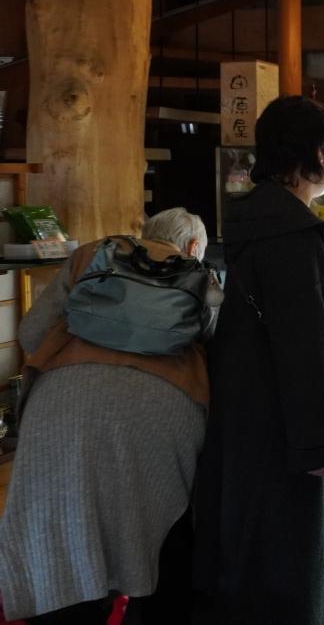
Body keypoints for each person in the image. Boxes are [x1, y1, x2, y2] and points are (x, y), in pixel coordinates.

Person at [0, 208, 215, 625]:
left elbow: (30, 334)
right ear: (193, 247)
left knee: (60, 529)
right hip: (165, 410)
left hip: (63, 403)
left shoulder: (92, 254)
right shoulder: (201, 276)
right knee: (158, 532)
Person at [193, 96, 324, 625]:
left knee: (256, 560)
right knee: (291, 570)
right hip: (286, 434)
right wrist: (317, 444)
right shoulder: (291, 234)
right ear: (317, 153)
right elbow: (302, 345)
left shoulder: (257, 218)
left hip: (252, 417)